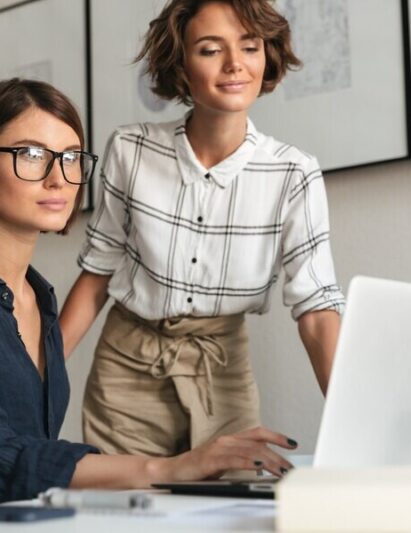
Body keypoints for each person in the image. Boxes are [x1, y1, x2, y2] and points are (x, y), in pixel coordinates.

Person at [0, 78, 294, 512]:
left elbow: (27, 460)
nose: (59, 178)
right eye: (32, 155)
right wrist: (166, 468)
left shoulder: (38, 297)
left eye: (71, 158)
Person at [60, 0, 345, 457]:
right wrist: (33, 379)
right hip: (125, 374)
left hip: (223, 371)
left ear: (266, 55)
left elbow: (316, 309)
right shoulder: (130, 150)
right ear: (181, 63)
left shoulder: (294, 173)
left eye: (250, 47)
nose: (235, 64)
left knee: (229, 515)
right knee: (129, 519)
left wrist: (353, 419)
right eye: (211, 50)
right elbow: (97, 274)